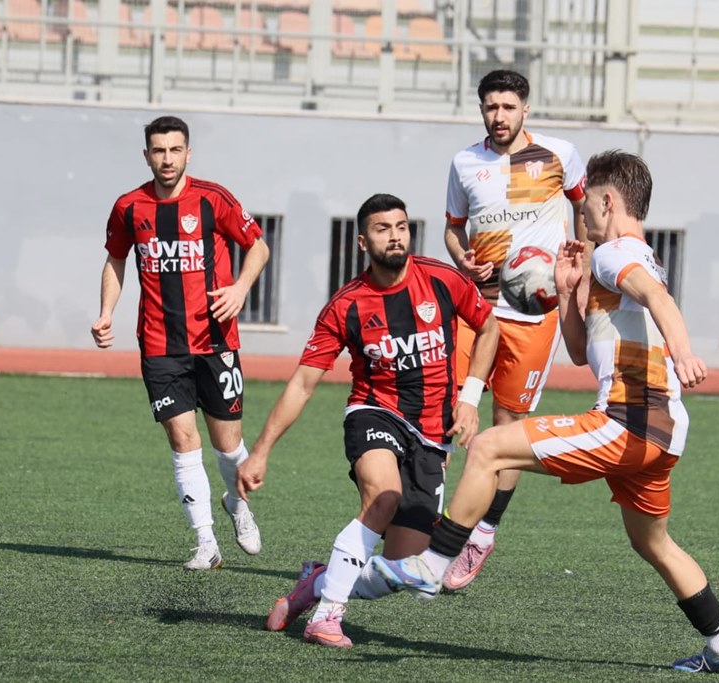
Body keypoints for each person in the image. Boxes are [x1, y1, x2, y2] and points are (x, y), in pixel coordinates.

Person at [374, 151, 719, 674]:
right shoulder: (629, 255)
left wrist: (684, 351)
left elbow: (659, 300)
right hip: (662, 430)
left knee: (487, 447)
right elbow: (580, 351)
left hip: (628, 420)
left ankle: (433, 564)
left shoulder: (614, 252)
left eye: (588, 205)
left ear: (607, 200)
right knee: (653, 541)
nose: (584, 216)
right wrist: (571, 292)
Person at [236, 193, 499, 649]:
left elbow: (490, 328)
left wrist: (471, 398)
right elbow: (302, 384)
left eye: (401, 226)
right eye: (383, 228)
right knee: (384, 494)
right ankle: (327, 617)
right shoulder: (347, 305)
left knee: (409, 565)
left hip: (433, 432)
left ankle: (318, 583)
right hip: (374, 412)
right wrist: (260, 451)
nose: (395, 236)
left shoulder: (442, 279)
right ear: (362, 241)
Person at [91, 115, 269, 570]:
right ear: (146, 155)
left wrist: (240, 289)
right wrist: (107, 312)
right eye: (158, 150)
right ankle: (205, 542)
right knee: (182, 440)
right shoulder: (129, 207)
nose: (166, 159)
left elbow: (258, 247)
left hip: (216, 342)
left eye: (174, 150)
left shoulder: (214, 199)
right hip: (159, 346)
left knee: (228, 447)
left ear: (188, 153)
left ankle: (238, 504)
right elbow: (115, 259)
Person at [441, 69, 591, 591]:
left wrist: (581, 262)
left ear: (525, 109)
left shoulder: (558, 154)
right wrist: (463, 261)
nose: (498, 116)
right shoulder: (465, 163)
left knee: (505, 429)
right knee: (446, 404)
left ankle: (482, 533)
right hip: (477, 309)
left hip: (533, 313)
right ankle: (430, 521)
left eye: (507, 107)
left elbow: (583, 208)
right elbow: (452, 229)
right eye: (490, 107)